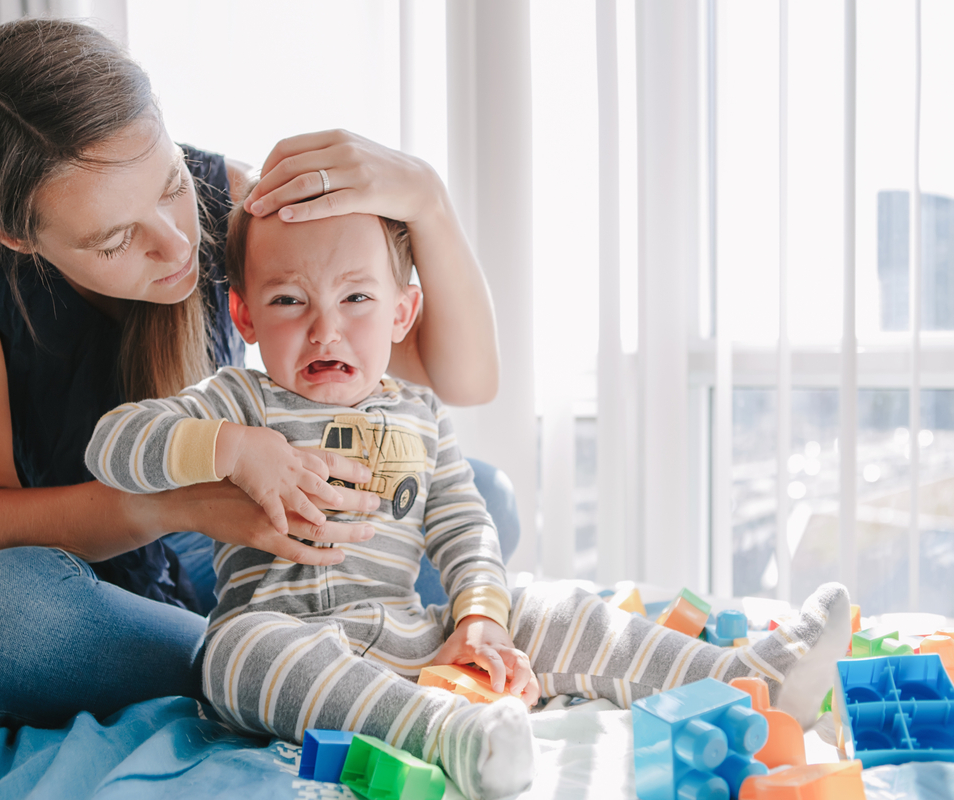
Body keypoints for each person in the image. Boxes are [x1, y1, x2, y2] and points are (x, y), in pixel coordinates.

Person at [85, 192, 852, 800]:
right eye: (289, 302)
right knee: (232, 651)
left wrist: (482, 620)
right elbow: (112, 445)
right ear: (244, 315)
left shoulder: (419, 413)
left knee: (545, 604)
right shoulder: (237, 400)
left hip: (407, 633)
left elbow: (463, 525)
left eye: (356, 298)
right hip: (288, 639)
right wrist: (229, 448)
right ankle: (444, 733)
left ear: (401, 312)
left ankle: (751, 678)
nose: (325, 330)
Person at [0, 18, 501, 729]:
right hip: (69, 567)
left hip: (218, 554)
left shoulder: (239, 199)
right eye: (117, 239)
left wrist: (426, 199)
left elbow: (461, 379)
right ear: (12, 236)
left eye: (171, 184)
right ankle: (259, 660)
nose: (179, 243)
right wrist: (176, 501)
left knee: (485, 500)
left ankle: (284, 663)